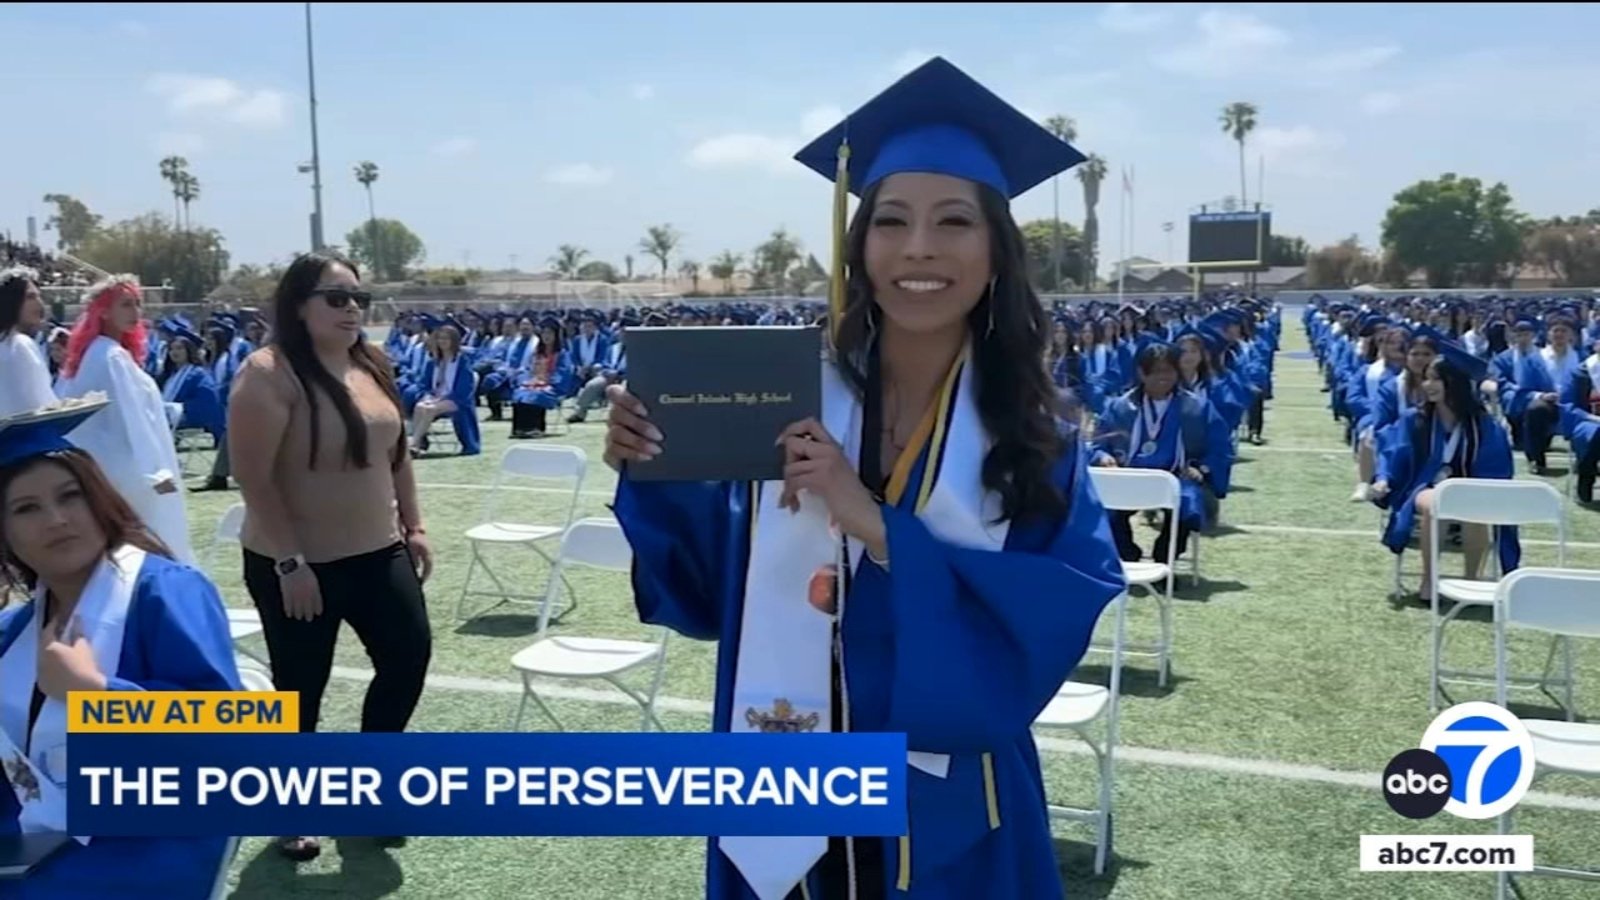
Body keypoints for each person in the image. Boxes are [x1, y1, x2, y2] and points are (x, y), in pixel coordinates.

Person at [605, 57, 1126, 900]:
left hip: (956, 807)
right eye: (891, 221)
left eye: (954, 220)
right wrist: (654, 467)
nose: (919, 248)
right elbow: (706, 596)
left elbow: (1048, 619)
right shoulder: (785, 400)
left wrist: (878, 526)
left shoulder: (1038, 439)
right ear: (859, 247)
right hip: (785, 781)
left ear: (997, 253)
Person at [227, 251, 433, 863]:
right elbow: (253, 478)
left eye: (359, 299)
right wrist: (290, 562)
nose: (352, 310)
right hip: (297, 565)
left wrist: (415, 526)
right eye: (336, 298)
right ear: (298, 305)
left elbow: (397, 455)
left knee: (408, 657)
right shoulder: (267, 374)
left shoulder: (373, 363)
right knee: (300, 688)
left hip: (377, 552)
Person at [0, 398, 241, 898]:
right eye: (27, 508)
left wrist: (96, 691)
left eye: (71, 496)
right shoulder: (16, 630)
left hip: (148, 840)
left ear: (99, 500)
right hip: (33, 837)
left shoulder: (165, 593)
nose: (56, 519)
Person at [52, 277, 194, 565]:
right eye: (126, 305)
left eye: (138, 304)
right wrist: (156, 471)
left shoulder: (93, 353)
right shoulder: (111, 356)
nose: (135, 312)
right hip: (130, 471)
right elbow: (134, 418)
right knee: (153, 543)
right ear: (103, 310)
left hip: (108, 467)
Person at [1372, 354, 1518, 602]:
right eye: (1426, 379)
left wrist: (1475, 487)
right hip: (1425, 488)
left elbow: (1496, 468)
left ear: (1455, 383)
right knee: (1439, 501)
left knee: (1474, 506)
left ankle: (1472, 580)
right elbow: (1392, 450)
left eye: (1436, 379)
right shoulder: (1415, 419)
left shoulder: (1483, 424)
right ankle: (1429, 579)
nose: (1428, 385)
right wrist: (1383, 478)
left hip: (1470, 488)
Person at [1090, 343, 1233, 564]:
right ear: (1142, 373)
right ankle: (1127, 555)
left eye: (1169, 371)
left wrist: (1201, 468)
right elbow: (1097, 444)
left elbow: (1220, 447)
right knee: (1099, 507)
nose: (1163, 377)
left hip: (1176, 478)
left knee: (1189, 505)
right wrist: (1103, 457)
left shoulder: (1196, 408)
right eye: (1156, 371)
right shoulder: (1120, 407)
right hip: (1128, 476)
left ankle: (1163, 559)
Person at [408, 323, 480, 456]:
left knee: (429, 409)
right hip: (435, 398)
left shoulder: (462, 361)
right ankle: (417, 446)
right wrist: (427, 397)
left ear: (454, 341)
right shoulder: (433, 362)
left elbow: (465, 388)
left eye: (446, 338)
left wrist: (440, 399)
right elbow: (424, 385)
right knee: (419, 406)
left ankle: (413, 442)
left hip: (456, 399)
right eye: (440, 338)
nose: (442, 341)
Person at [0, 267, 54, 418]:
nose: (39, 303)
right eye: (30, 297)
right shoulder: (19, 345)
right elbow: (42, 408)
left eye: (39, 296)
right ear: (11, 301)